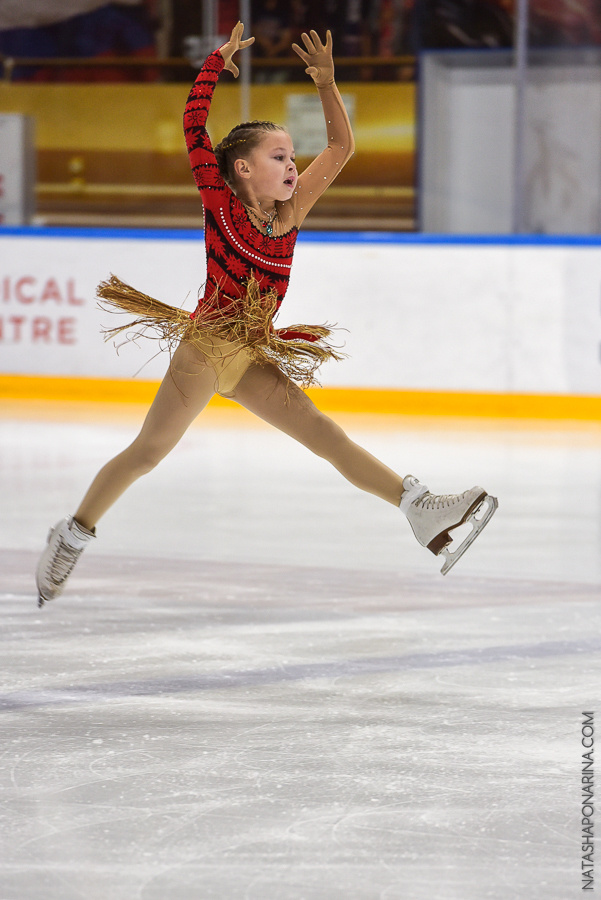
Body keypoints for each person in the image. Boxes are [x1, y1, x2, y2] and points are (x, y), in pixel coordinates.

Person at [35, 23, 497, 608]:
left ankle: (420, 509)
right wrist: (214, 61)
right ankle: (72, 533)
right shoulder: (218, 200)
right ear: (245, 169)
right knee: (148, 453)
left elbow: (341, 149)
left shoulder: (292, 211)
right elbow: (193, 123)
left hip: (251, 355)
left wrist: (328, 84)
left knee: (324, 434)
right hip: (205, 350)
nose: (292, 164)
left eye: (291, 156)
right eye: (279, 155)